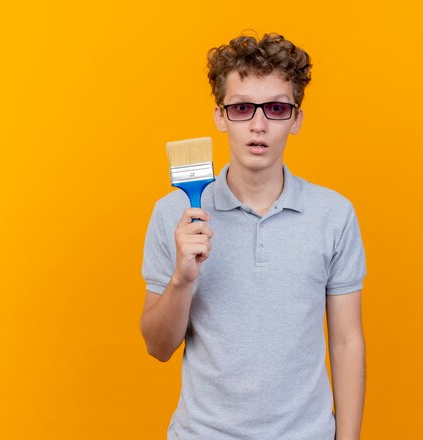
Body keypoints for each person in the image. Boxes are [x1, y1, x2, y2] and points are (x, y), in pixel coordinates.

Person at [141, 32, 366, 440]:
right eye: (242, 108)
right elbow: (158, 348)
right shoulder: (174, 213)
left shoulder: (334, 215)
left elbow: (347, 342)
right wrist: (182, 279)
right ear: (220, 116)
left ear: (296, 119)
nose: (258, 125)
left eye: (276, 108)